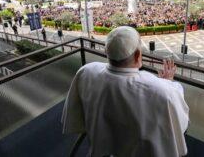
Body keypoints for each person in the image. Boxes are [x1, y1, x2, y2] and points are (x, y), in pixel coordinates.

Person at [62, 26, 189, 157]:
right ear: (138, 55)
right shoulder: (162, 90)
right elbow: (180, 123)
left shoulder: (87, 71)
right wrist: (167, 81)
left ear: (107, 51)